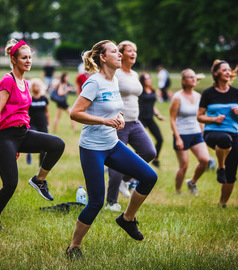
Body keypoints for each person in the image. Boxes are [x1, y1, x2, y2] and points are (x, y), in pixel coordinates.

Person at [66, 40, 158, 259]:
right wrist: (104, 121)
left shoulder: (114, 80)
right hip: (92, 149)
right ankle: (74, 247)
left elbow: (113, 107)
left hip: (112, 145)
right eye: (115, 51)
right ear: (103, 57)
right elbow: (75, 113)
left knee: (149, 176)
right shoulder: (94, 82)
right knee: (96, 201)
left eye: (119, 50)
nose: (119, 54)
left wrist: (117, 118)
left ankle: (127, 219)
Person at [0, 39, 65, 230]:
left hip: (23, 134)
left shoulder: (25, 82)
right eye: (24, 57)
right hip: (6, 137)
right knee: (10, 184)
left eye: (30, 57)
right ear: (14, 59)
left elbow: (22, 110)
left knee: (57, 144)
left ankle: (39, 180)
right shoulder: (8, 80)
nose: (28, 61)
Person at [105, 41, 156, 212]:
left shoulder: (134, 74)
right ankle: (111, 202)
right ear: (121, 54)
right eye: (130, 51)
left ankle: (125, 179)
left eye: (135, 50)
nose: (134, 53)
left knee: (149, 152)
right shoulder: (115, 73)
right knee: (118, 162)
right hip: (120, 123)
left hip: (135, 121)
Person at [197, 59, 238, 208]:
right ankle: (220, 166)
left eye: (229, 70)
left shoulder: (236, 93)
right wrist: (213, 119)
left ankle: (222, 203)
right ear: (216, 73)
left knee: (231, 174)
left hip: (233, 134)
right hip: (212, 132)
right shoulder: (208, 93)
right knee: (224, 140)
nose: (228, 72)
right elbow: (200, 116)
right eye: (224, 70)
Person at [170, 69, 209, 196]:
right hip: (181, 134)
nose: (193, 79)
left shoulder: (199, 96)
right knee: (184, 166)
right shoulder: (177, 97)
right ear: (183, 81)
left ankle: (192, 182)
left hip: (196, 133)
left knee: (205, 160)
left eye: (194, 77)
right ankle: (178, 191)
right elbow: (172, 119)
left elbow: (201, 116)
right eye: (189, 77)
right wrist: (177, 138)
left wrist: (202, 131)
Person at [139, 72, 166, 169]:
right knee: (141, 144)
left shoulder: (153, 91)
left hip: (150, 119)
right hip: (141, 119)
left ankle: (156, 159)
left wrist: (158, 115)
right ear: (142, 81)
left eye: (149, 78)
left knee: (160, 139)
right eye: (146, 79)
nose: (149, 80)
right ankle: (137, 163)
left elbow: (152, 105)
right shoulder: (140, 91)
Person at [26, 78, 50, 165]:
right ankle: (29, 152)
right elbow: (26, 113)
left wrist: (48, 124)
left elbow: (47, 112)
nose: (38, 87)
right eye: (36, 86)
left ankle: (41, 165)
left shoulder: (44, 98)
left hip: (43, 123)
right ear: (32, 87)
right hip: (32, 124)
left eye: (39, 86)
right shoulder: (29, 99)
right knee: (32, 139)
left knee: (44, 144)